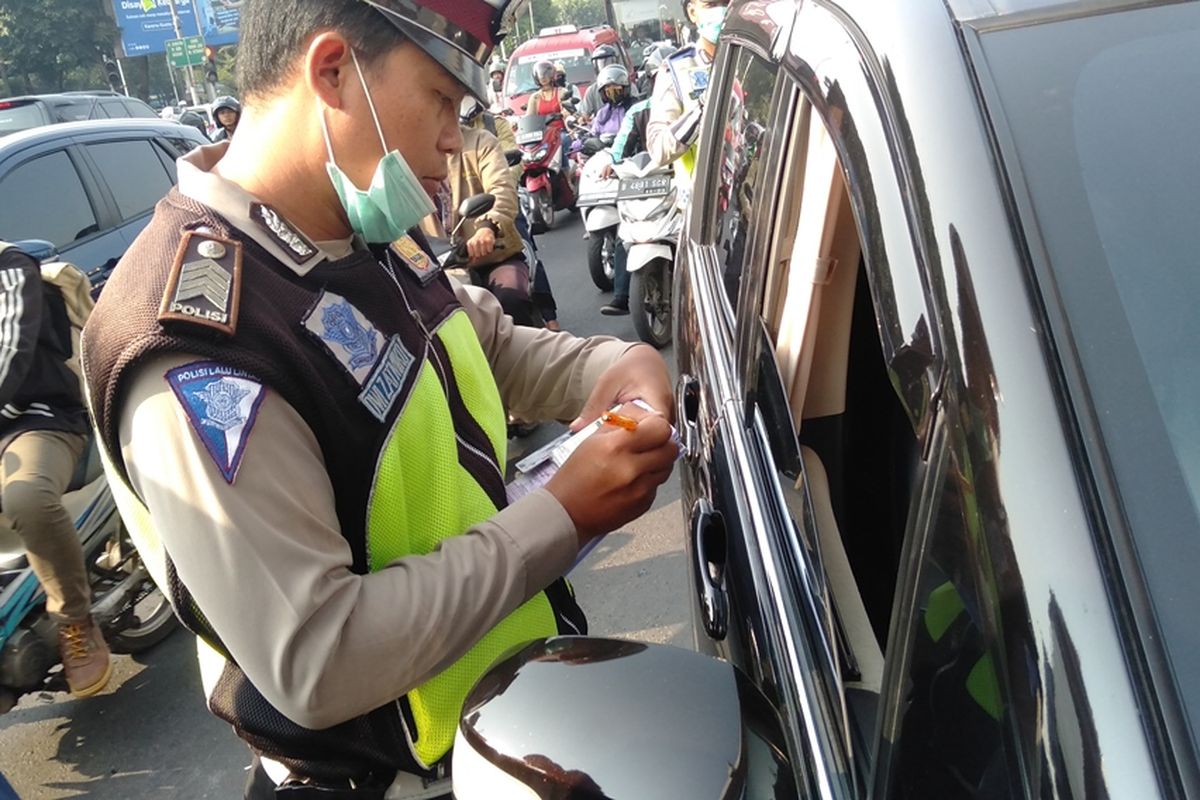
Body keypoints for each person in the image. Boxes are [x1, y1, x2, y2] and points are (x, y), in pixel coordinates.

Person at [80, 1, 677, 798]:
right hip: (386, 777)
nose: (456, 139)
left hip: (504, 724)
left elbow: (481, 341)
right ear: (332, 71)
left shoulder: (358, 217)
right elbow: (318, 657)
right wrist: (562, 514)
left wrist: (612, 361)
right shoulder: (194, 339)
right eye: (439, 99)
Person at [0, 242, 108, 698]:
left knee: (25, 498)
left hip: (36, 418)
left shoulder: (10, 267)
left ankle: (73, 618)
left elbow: (11, 352)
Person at [460, 98, 562, 332]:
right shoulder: (421, 151)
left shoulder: (491, 127)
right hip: (449, 252)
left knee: (524, 247)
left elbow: (507, 169)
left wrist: (490, 222)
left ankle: (549, 317)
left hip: (497, 209)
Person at [422, 122, 536, 328]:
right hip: (439, 267)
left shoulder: (481, 141)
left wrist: (487, 227)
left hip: (494, 256)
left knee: (512, 300)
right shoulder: (409, 154)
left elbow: (501, 189)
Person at [647, 0, 730, 204]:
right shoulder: (676, 70)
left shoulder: (756, 59)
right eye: (711, 5)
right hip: (701, 207)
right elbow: (658, 149)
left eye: (726, 3)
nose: (722, 11)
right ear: (692, 12)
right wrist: (703, 111)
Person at [578, 44, 620, 122]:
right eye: (600, 63)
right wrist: (583, 120)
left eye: (608, 62)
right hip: (601, 131)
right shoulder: (592, 90)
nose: (604, 67)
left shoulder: (627, 84)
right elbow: (585, 115)